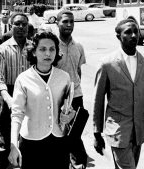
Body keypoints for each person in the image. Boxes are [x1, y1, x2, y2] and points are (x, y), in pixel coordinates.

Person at [93, 19, 144, 169]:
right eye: (128, 32)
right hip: (117, 132)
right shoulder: (107, 63)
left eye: (136, 31)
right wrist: (97, 132)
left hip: (138, 133)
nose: (134, 35)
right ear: (118, 36)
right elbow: (98, 100)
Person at [8, 30, 75, 169]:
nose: (48, 54)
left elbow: (68, 107)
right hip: (31, 142)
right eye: (42, 49)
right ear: (33, 52)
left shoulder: (64, 77)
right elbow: (17, 114)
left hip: (58, 141)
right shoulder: (23, 79)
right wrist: (13, 145)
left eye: (52, 49)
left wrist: (69, 115)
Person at [0, 12, 30, 169]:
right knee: (6, 138)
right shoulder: (1, 50)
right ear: (11, 26)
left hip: (31, 97)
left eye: (24, 24)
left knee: (28, 138)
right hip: (9, 95)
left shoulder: (34, 48)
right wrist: (8, 99)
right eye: (17, 24)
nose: (21, 27)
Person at [56, 10, 88, 168]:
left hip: (76, 96)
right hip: (57, 98)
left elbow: (78, 71)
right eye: (65, 21)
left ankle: (78, 163)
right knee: (59, 134)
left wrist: (74, 89)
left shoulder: (79, 47)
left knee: (75, 133)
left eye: (71, 22)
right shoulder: (52, 46)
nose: (69, 25)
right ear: (57, 23)